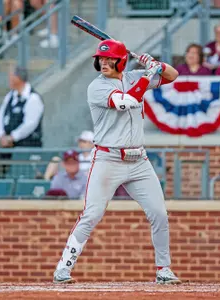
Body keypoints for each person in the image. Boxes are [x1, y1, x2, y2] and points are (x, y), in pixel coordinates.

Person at [53, 39, 181, 284]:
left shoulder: (133, 76)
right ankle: (63, 268)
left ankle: (163, 269)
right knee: (92, 214)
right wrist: (147, 76)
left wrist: (156, 64)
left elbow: (173, 75)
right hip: (108, 159)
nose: (104, 62)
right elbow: (127, 101)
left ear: (121, 60)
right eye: (101, 59)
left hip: (138, 160)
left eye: (110, 58)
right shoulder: (96, 87)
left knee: (159, 214)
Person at [0, 66, 44, 149]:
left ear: (18, 78)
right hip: (8, 147)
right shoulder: (10, 96)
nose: (9, 79)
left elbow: (30, 124)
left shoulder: (33, 98)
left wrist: (13, 137)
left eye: (11, 76)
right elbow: (0, 117)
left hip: (27, 147)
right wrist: (2, 135)